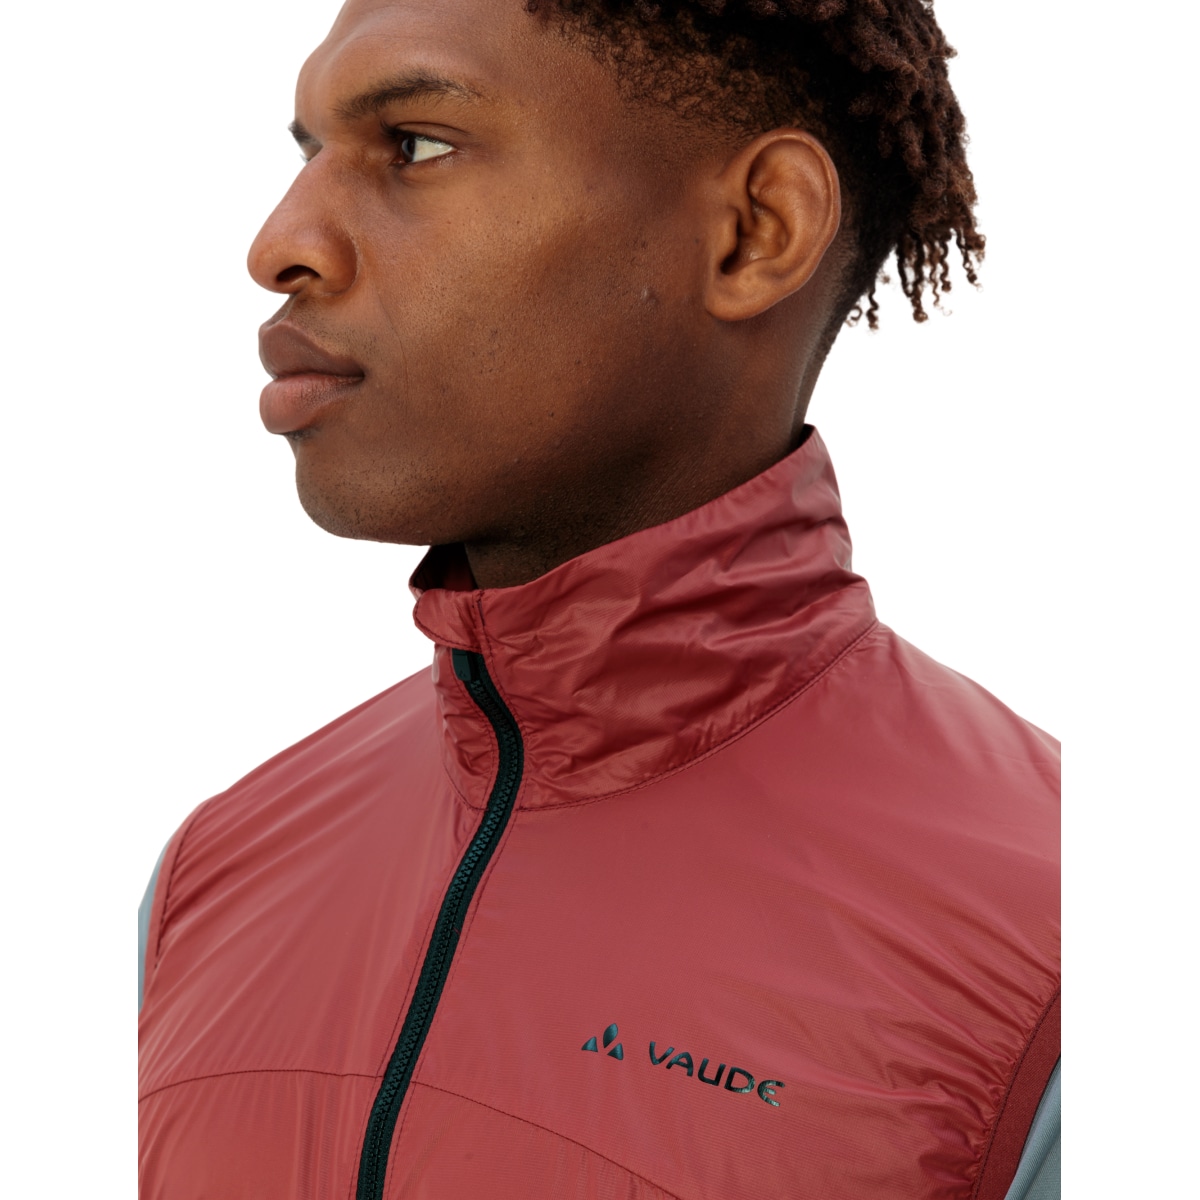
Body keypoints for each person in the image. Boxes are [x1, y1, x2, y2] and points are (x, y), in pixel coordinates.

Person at [137, 0, 1060, 1196]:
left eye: (415, 144)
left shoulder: (1068, 950)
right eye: (310, 151)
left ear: (755, 231)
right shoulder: (212, 877)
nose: (280, 245)